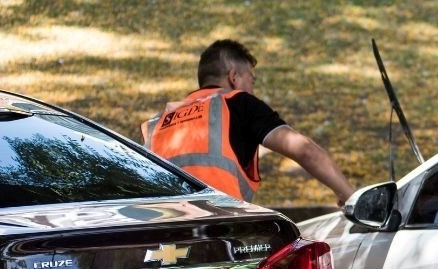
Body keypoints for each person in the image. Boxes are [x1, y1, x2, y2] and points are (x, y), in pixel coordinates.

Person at [142, 39, 353, 206]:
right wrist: (351, 196)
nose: (252, 88)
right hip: (219, 228)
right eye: (251, 79)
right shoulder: (238, 101)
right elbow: (304, 149)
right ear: (234, 76)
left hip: (162, 236)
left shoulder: (157, 122)